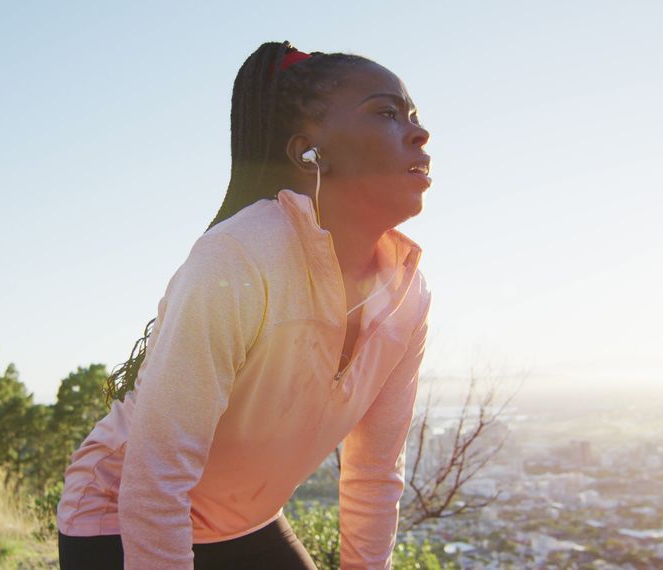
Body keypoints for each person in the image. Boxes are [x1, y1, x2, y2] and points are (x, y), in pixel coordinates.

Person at [56, 40, 433, 569]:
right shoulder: (240, 256)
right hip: (121, 515)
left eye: (414, 115)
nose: (420, 132)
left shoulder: (407, 295)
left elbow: (373, 474)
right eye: (387, 113)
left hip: (243, 522)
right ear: (309, 152)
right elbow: (155, 477)